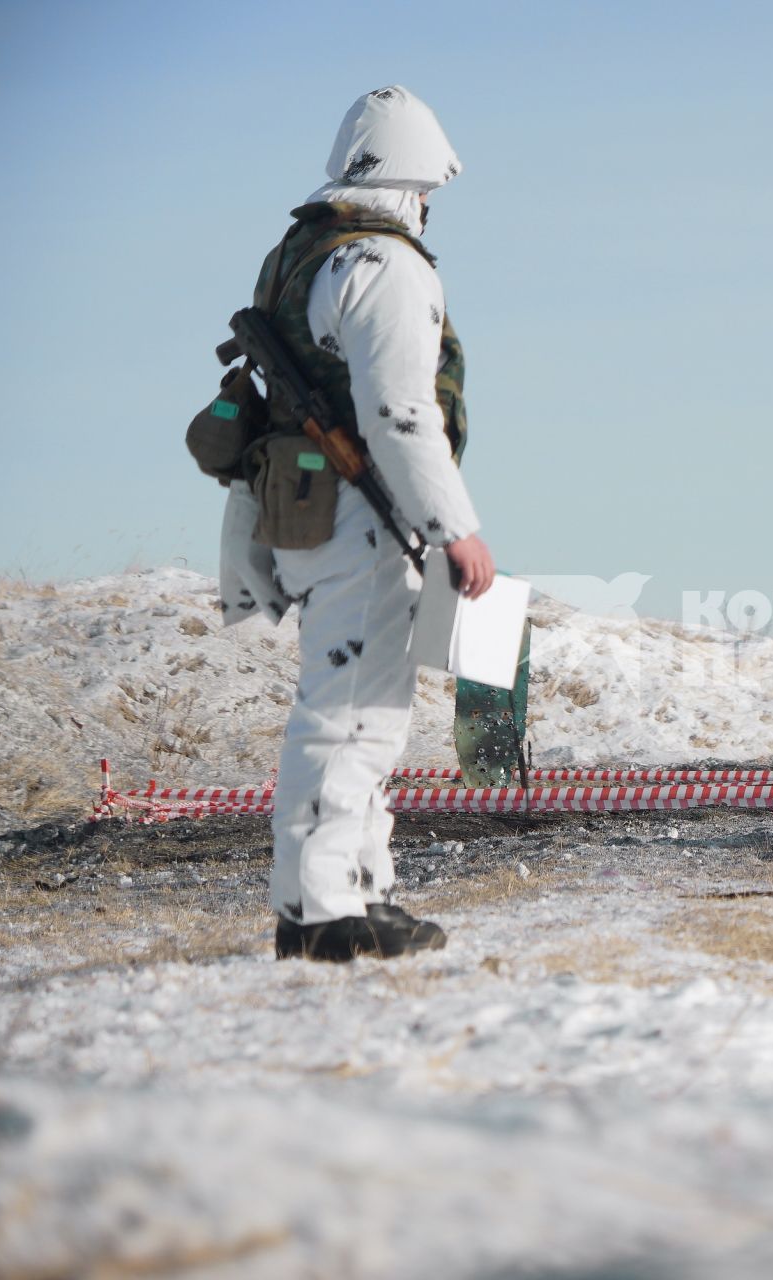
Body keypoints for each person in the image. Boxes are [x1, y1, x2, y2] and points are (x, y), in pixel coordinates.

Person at [217, 86, 495, 960]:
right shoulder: (388, 266)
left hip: (305, 511)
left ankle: (362, 892)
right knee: (344, 716)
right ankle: (318, 914)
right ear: (415, 179)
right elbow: (401, 414)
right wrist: (457, 527)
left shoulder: (300, 256)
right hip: (360, 518)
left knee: (366, 712)